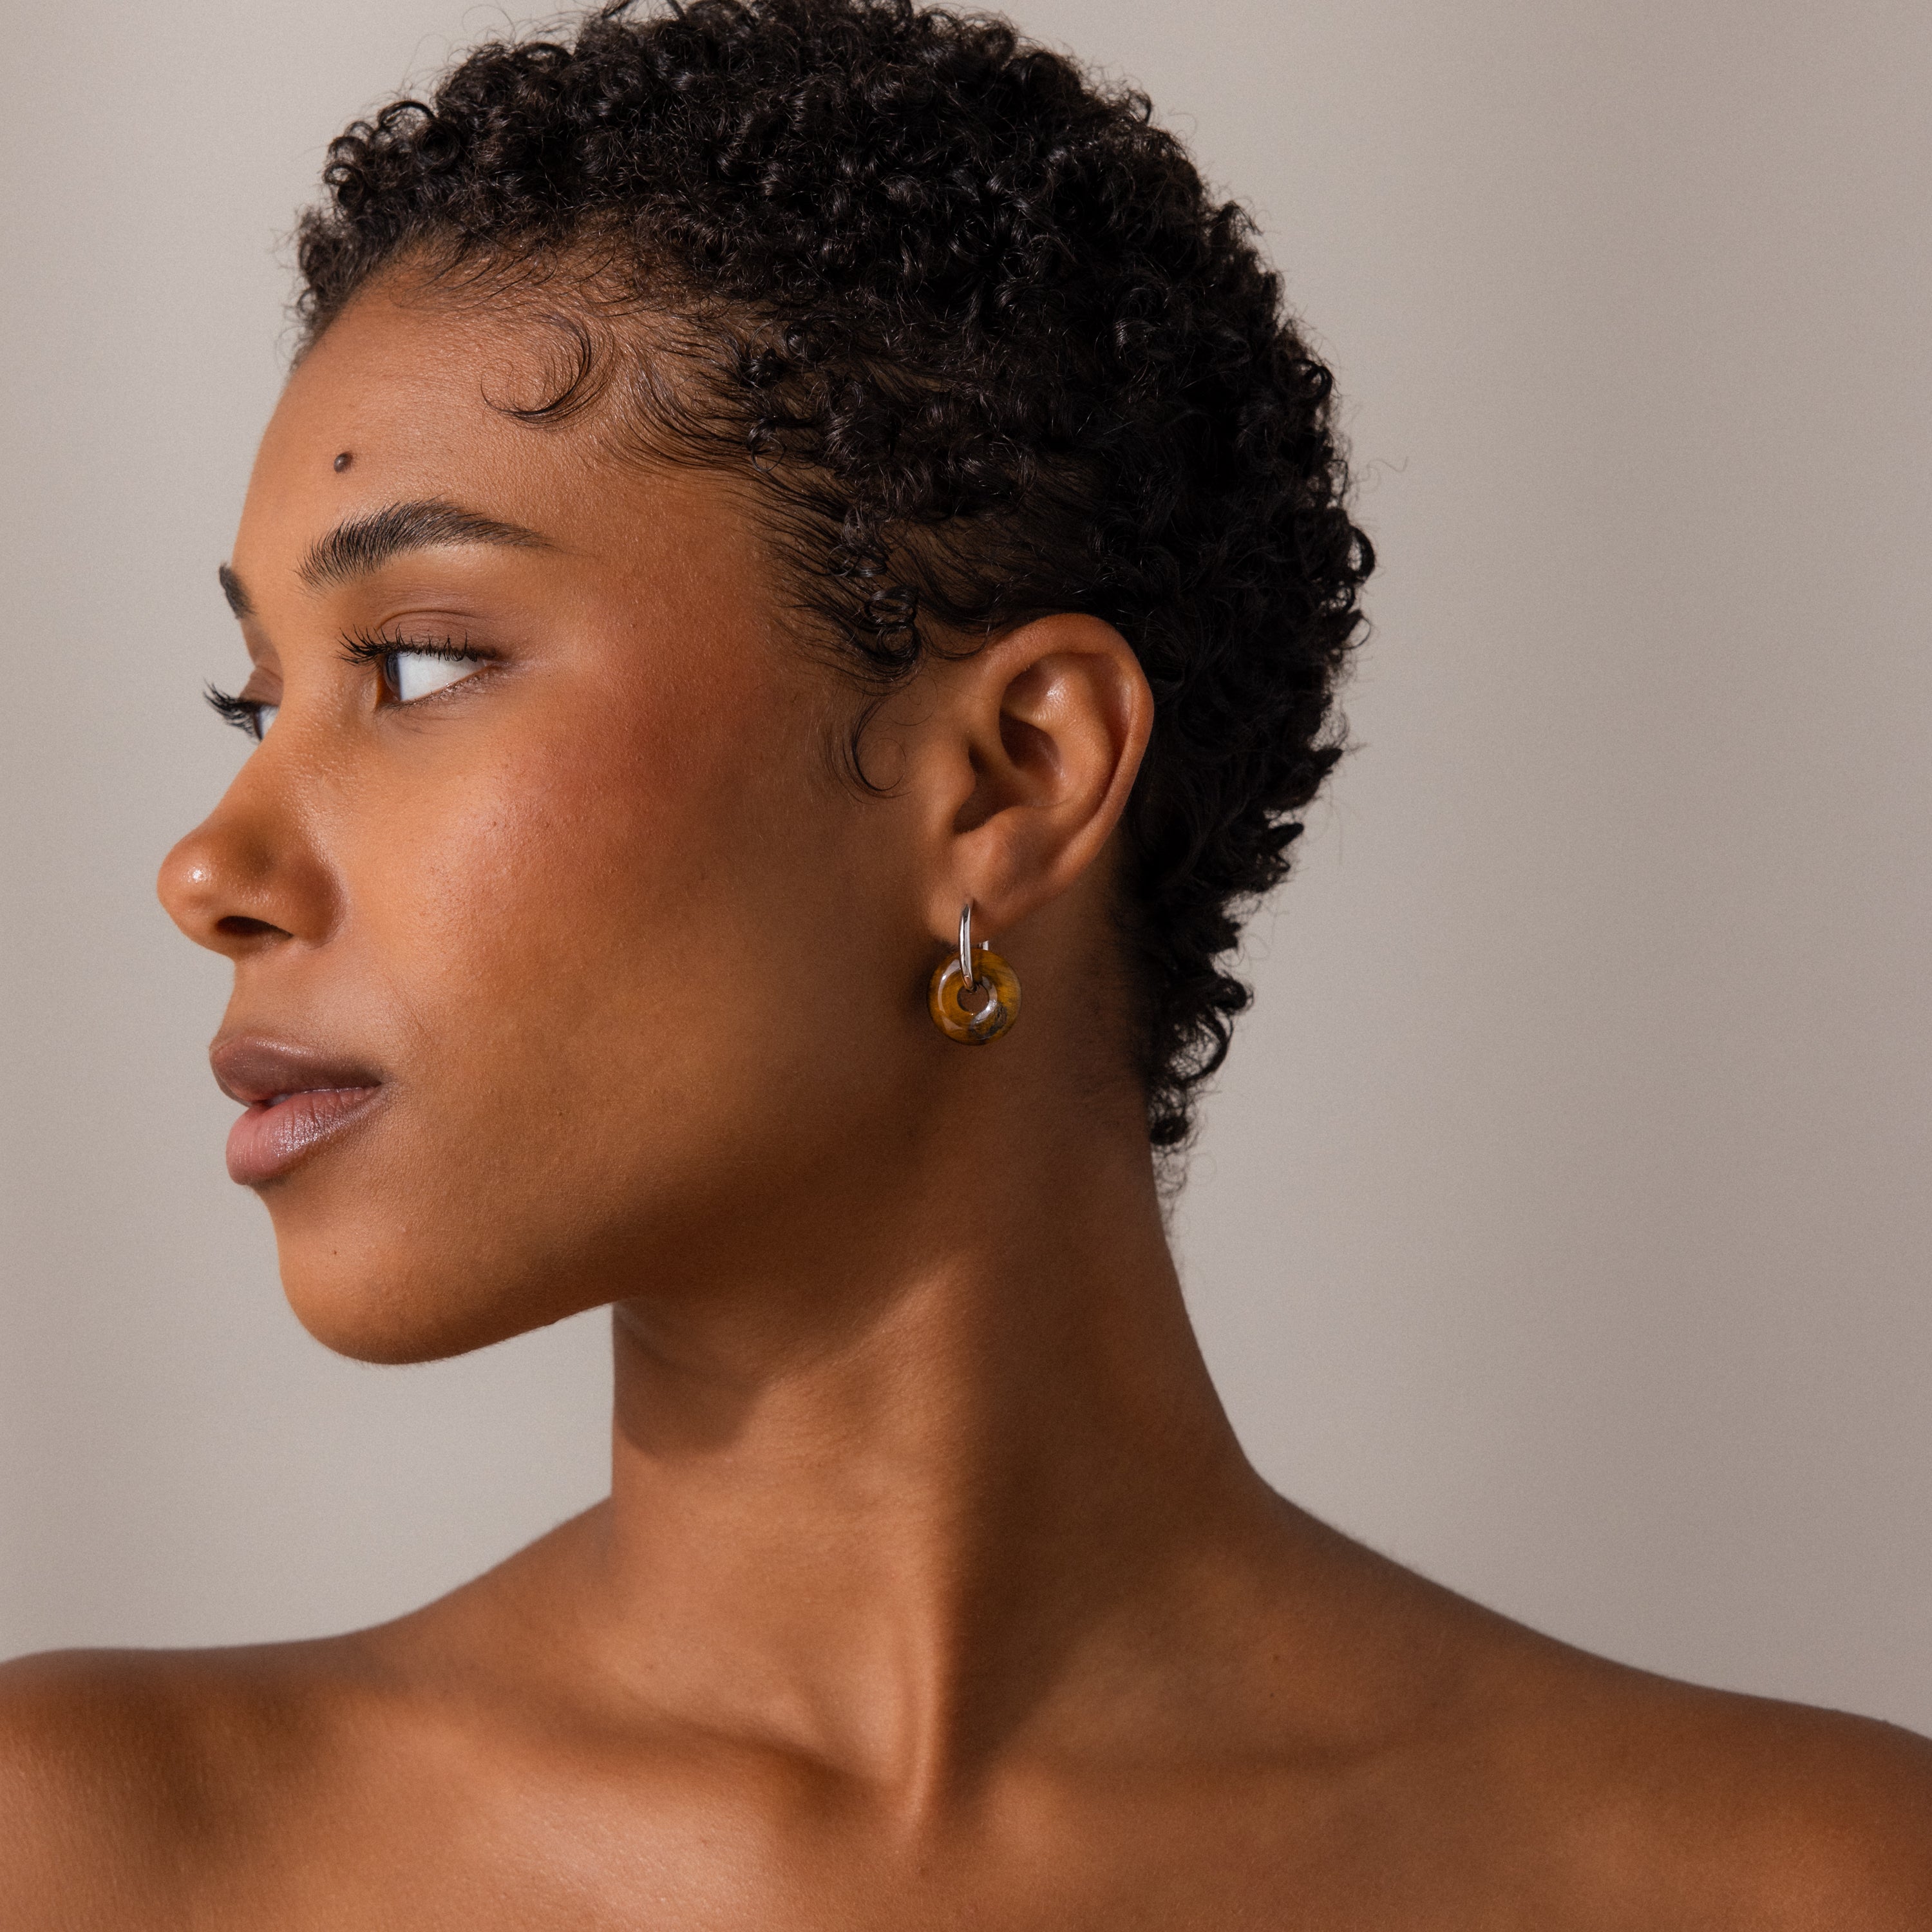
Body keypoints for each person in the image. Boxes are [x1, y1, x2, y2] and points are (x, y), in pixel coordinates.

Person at [4, 0, 1929, 1921]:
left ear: (1011, 778)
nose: (210, 869)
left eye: (419, 665)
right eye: (254, 699)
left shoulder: (1812, 1883)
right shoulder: (84, 1854)